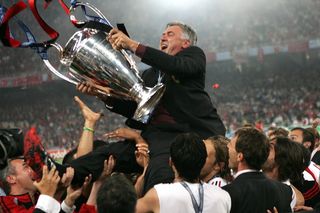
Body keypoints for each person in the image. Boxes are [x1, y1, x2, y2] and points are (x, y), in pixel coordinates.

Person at [77, 21, 226, 194]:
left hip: (188, 135)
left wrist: (133, 45)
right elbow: (134, 109)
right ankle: (61, 174)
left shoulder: (194, 55)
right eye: (163, 34)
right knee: (100, 156)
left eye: (170, 34)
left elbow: (177, 66)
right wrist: (101, 94)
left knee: (158, 173)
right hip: (153, 137)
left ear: (186, 43)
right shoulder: (149, 75)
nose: (163, 36)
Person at [135, 133, 231, 213]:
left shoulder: (159, 194)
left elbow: (125, 208)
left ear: (171, 162)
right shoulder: (223, 197)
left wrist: (145, 172)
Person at [222, 127, 293, 213]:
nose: (227, 148)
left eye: (230, 145)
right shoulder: (284, 190)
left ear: (240, 156)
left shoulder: (227, 193)